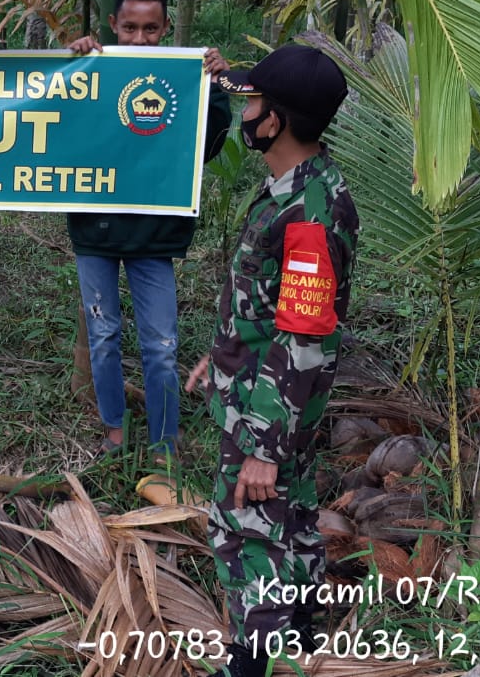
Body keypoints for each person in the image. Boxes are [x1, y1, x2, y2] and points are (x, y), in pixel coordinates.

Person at [184, 43, 359, 677]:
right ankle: (308, 640)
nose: (246, 108)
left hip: (271, 409)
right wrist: (220, 353)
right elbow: (268, 307)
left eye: (252, 100)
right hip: (266, 391)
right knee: (297, 514)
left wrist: (264, 445)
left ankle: (250, 664)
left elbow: (304, 337)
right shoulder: (295, 188)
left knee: (245, 530)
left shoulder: (308, 212)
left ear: (275, 120)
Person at [67, 0, 232, 458]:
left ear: (165, 28)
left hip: (155, 234)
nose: (140, 39)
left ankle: (165, 441)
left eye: (151, 29)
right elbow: (54, 118)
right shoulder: (92, 67)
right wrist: (68, 64)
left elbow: (207, 145)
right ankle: (114, 433)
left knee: (161, 345)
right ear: (114, 25)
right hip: (94, 231)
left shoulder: (183, 79)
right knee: (103, 336)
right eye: (131, 28)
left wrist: (215, 84)